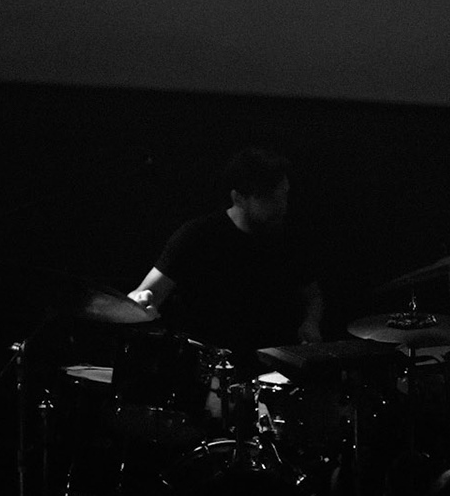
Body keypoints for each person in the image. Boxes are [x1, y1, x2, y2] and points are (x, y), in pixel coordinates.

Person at [128, 148, 324, 368]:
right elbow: (145, 295)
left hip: (273, 369)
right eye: (270, 199)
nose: (282, 206)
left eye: (284, 196)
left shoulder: (289, 239)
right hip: (208, 368)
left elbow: (313, 295)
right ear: (238, 197)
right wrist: (139, 301)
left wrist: (311, 322)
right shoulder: (197, 236)